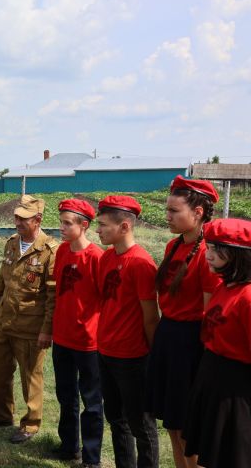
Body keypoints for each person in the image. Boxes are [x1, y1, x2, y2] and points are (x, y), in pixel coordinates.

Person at [147, 176, 220, 468]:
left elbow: (209, 313)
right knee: (173, 425)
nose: (168, 216)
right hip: (169, 336)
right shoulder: (172, 247)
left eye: (174, 211)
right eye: (167, 210)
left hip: (191, 343)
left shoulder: (207, 255)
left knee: (189, 426)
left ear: (198, 212)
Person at [0, 194, 57, 442]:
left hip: (30, 326)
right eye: (16, 217)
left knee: (31, 376)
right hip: (4, 321)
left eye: (24, 219)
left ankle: (31, 424)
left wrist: (47, 329)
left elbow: (52, 296)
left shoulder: (49, 251)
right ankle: (1, 414)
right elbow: (1, 281)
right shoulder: (12, 243)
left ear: (38, 220)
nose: (18, 222)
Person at [95, 195, 160, 468]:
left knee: (141, 424)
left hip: (132, 357)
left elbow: (150, 317)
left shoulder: (142, 263)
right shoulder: (107, 258)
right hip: (106, 351)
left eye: (102, 225)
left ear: (124, 227)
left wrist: (153, 358)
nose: (97, 230)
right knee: (116, 419)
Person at [183, 218, 251, 468]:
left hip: (235, 391)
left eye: (216, 250)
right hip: (212, 380)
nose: (207, 255)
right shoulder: (225, 287)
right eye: (208, 248)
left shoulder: (247, 297)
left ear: (237, 255)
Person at [50, 199, 104, 467]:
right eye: (60, 222)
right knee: (65, 395)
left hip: (88, 341)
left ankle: (92, 457)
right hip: (62, 337)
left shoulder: (97, 257)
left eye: (67, 223)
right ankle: (69, 445)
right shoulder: (61, 252)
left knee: (92, 401)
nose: (61, 227)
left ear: (84, 225)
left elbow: (106, 300)